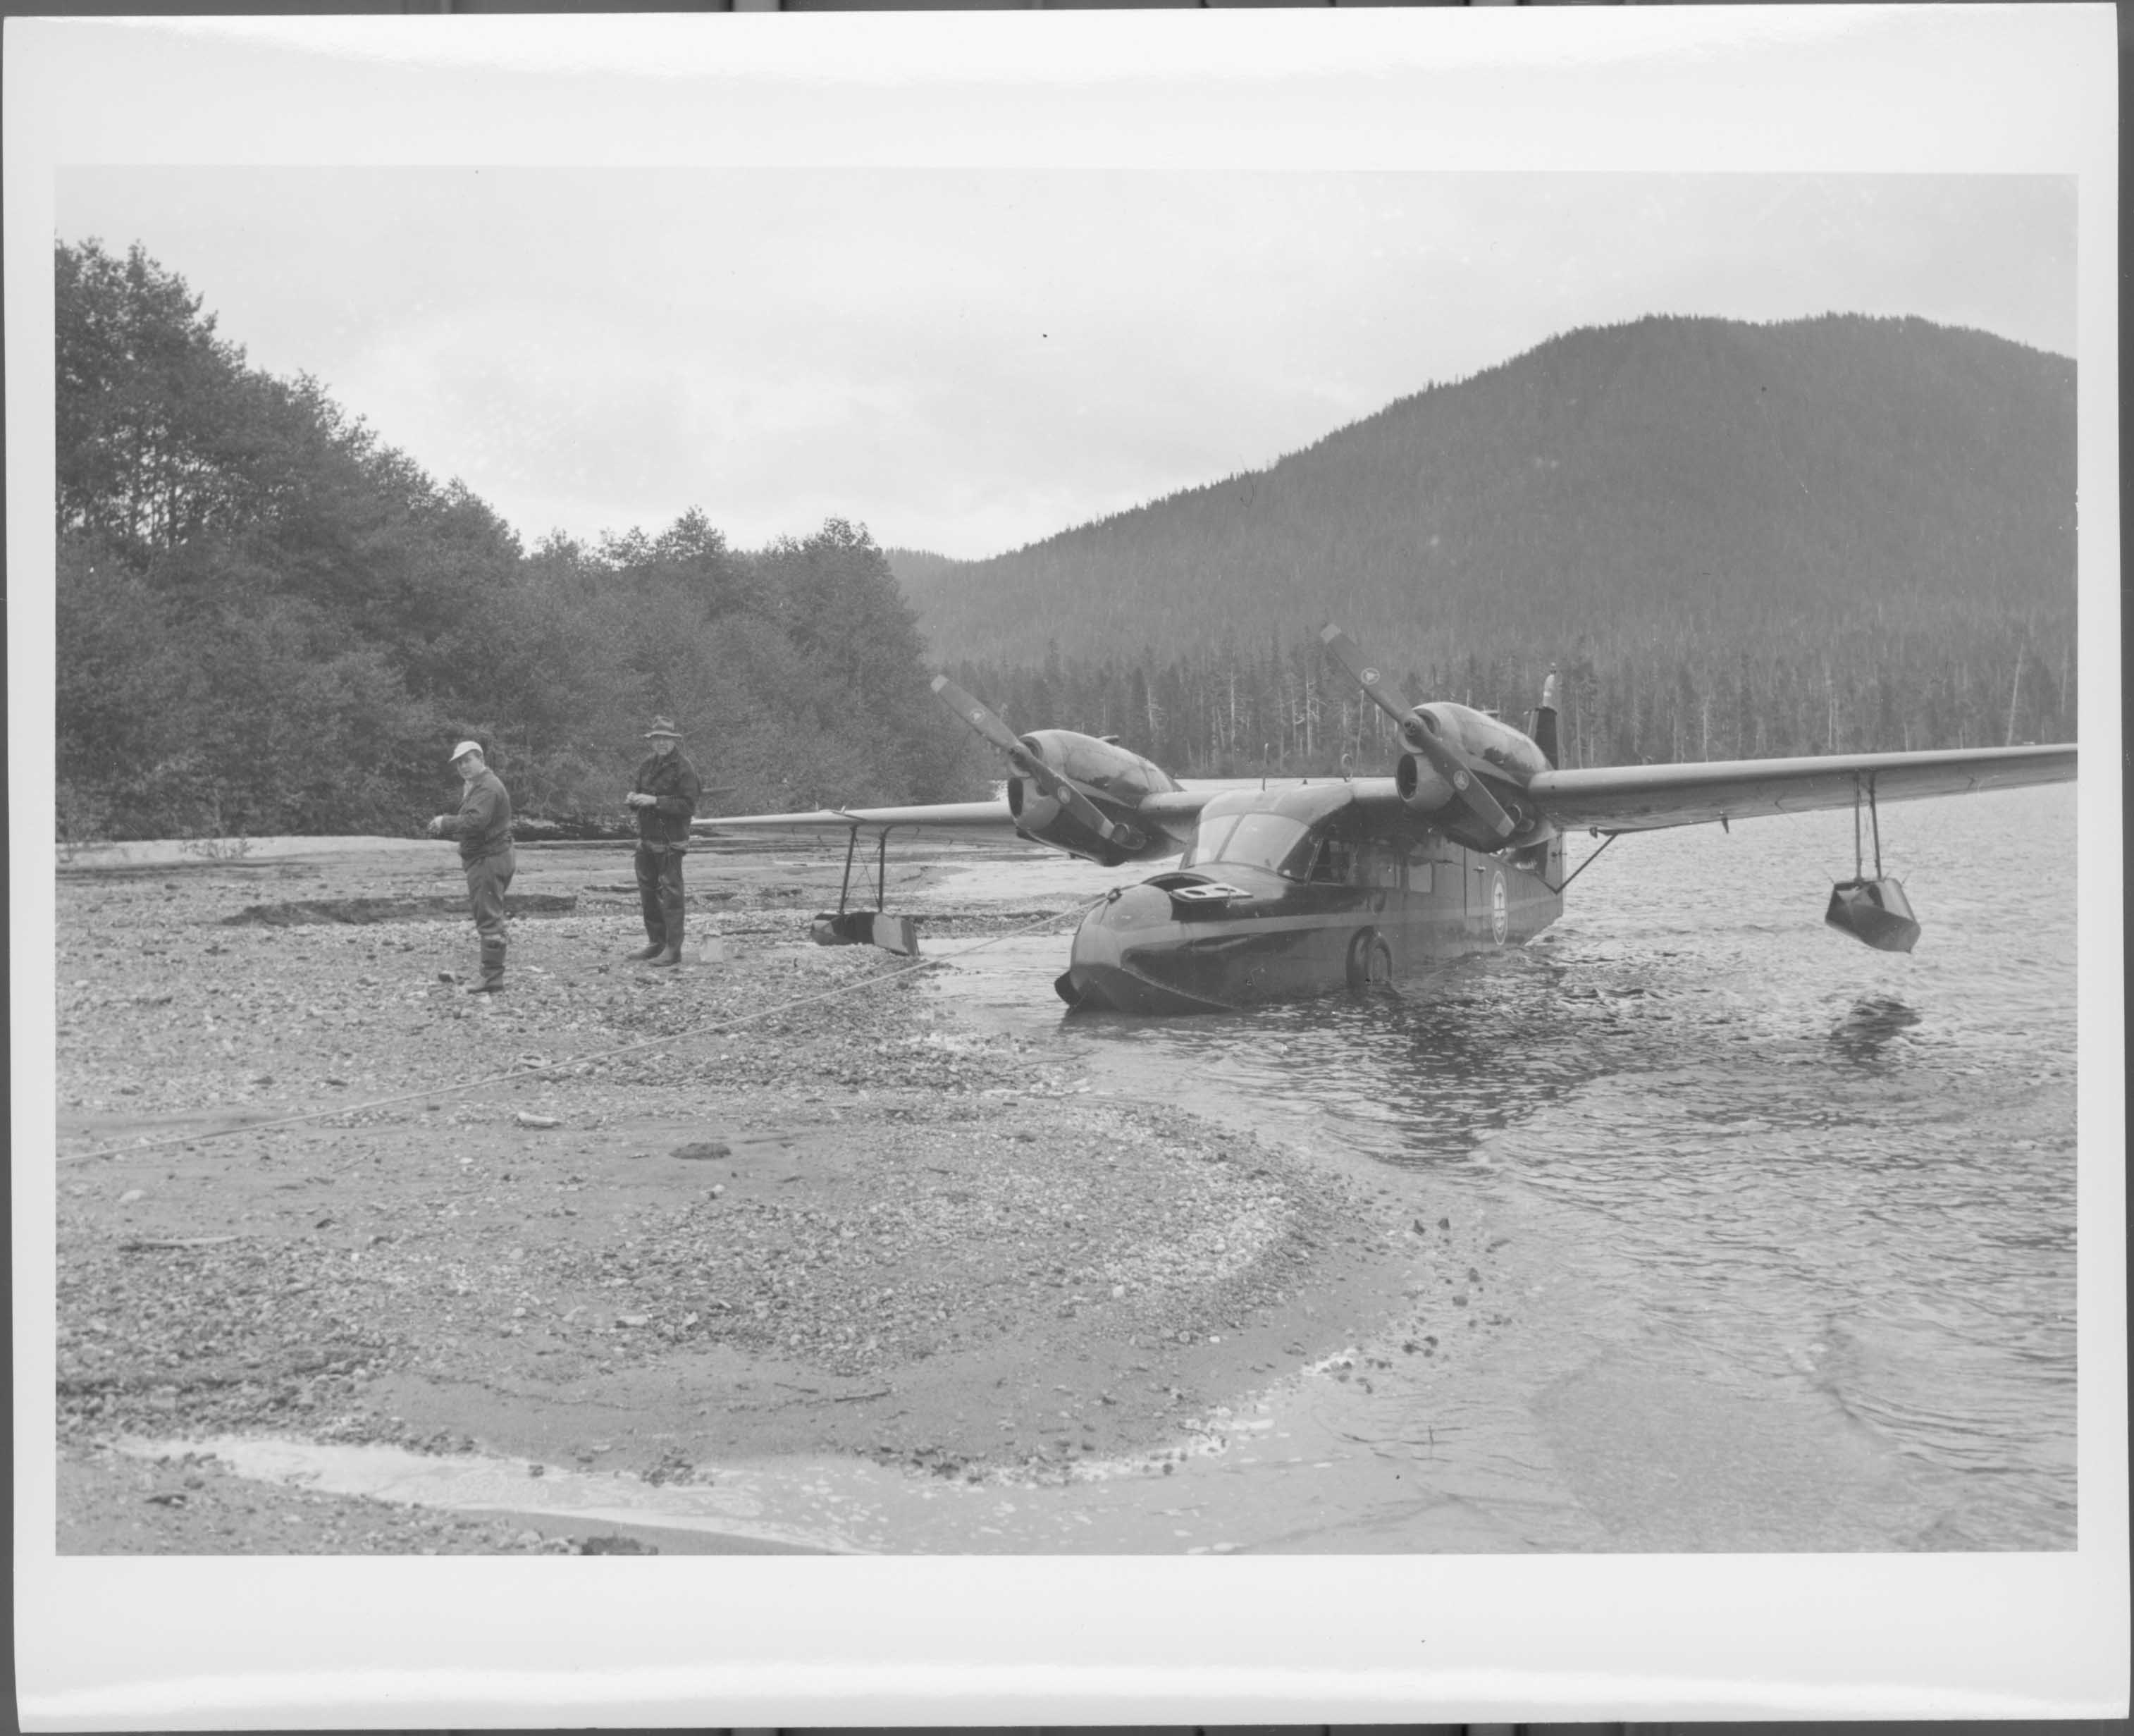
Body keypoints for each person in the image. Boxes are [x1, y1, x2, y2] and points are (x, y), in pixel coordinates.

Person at [426, 739, 514, 993]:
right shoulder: (480, 785)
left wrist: (445, 822)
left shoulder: (487, 787)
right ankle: (491, 974)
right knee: (491, 914)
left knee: (488, 918)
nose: (463, 767)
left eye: (467, 761)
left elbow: (476, 822)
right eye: (459, 764)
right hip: (491, 856)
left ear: (481, 759)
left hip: (488, 860)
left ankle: (492, 978)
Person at [626, 715, 703, 967]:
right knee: (648, 894)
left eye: (666, 739)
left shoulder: (685, 768)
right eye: (658, 738)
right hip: (646, 839)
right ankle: (656, 943)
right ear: (651, 741)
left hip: (672, 841)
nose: (662, 743)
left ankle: (673, 949)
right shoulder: (646, 765)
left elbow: (688, 806)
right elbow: (638, 794)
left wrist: (655, 801)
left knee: (671, 895)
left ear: (674, 740)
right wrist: (633, 799)